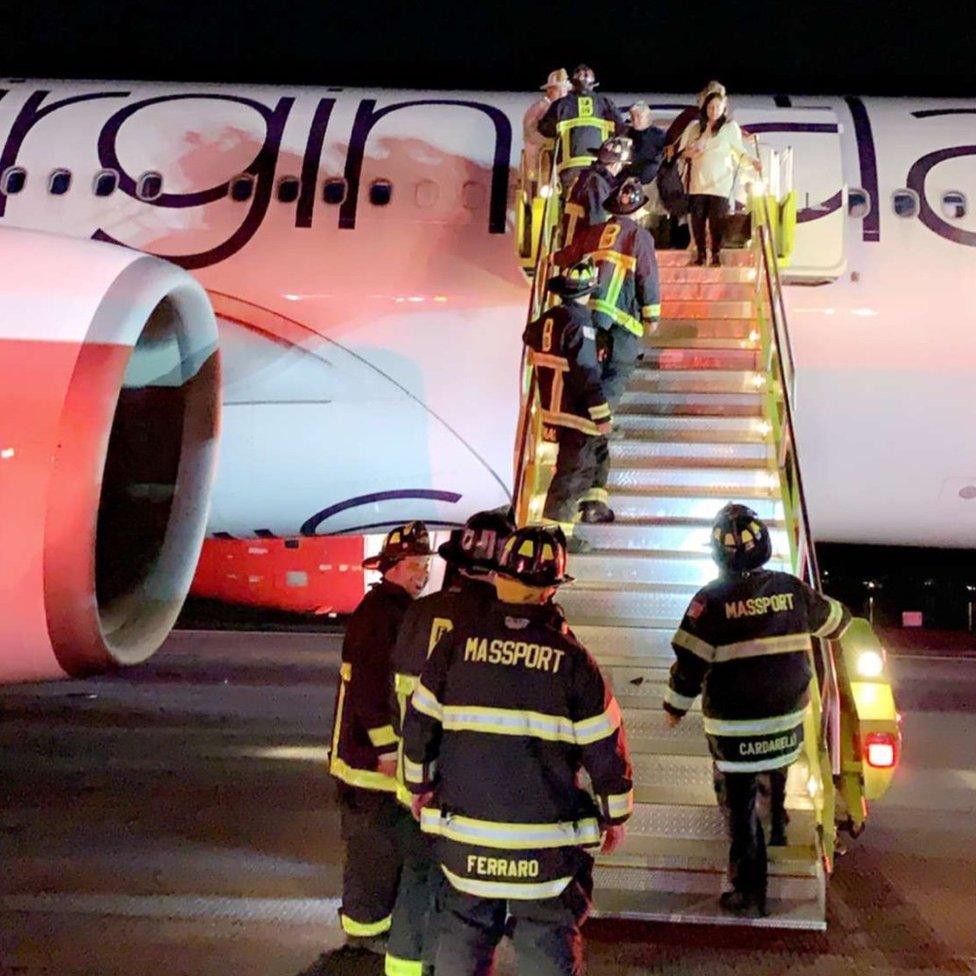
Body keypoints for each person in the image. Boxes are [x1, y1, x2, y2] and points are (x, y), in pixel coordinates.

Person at [402, 525, 633, 976]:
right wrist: (614, 816)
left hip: (466, 837)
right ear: (550, 589)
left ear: (499, 578)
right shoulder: (572, 660)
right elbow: (606, 749)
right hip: (545, 850)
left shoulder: (457, 644)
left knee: (462, 936)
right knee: (547, 943)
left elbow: (419, 724)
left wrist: (419, 786)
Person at [662, 503, 852, 917]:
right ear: (763, 545)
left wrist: (673, 708)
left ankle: (750, 893)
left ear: (717, 555)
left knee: (740, 809)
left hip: (734, 732)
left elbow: (688, 669)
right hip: (786, 723)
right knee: (776, 766)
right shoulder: (791, 587)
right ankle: (779, 822)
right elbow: (840, 621)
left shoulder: (708, 602)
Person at [382, 510, 514, 976]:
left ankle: (402, 970)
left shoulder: (418, 611)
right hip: (463, 793)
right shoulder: (494, 621)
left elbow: (399, 698)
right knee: (464, 896)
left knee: (415, 881)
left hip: (413, 781)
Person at [325, 521, 434, 972]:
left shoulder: (392, 610)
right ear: (391, 566)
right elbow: (371, 691)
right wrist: (388, 751)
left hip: (368, 762)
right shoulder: (381, 615)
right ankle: (362, 937)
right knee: (372, 850)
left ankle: (369, 928)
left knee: (380, 847)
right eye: (413, 565)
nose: (422, 574)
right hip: (366, 763)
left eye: (425, 565)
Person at [556, 177, 661, 524]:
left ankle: (592, 496)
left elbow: (566, 258)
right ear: (640, 210)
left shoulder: (593, 233)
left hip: (591, 328)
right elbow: (647, 277)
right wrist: (652, 316)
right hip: (622, 334)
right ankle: (584, 501)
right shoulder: (639, 237)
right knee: (598, 418)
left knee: (594, 412)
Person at [523, 260, 611, 553]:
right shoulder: (580, 323)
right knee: (573, 471)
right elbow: (586, 372)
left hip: (552, 404)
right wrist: (601, 413)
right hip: (576, 411)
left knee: (596, 453)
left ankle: (593, 504)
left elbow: (529, 335)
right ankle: (558, 535)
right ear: (587, 292)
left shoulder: (550, 317)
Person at [677, 90, 761, 265]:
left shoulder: (730, 128)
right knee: (698, 219)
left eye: (717, 107)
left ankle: (715, 253)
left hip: (720, 183)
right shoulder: (695, 128)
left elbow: (739, 152)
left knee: (717, 220)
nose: (713, 110)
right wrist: (691, 152)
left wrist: (752, 162)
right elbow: (683, 152)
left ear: (724, 109)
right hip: (698, 181)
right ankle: (700, 254)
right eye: (710, 107)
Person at [537, 63, 627, 190]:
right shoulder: (605, 103)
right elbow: (621, 129)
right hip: (601, 167)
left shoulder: (561, 104)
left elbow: (544, 129)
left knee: (564, 200)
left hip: (569, 169)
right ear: (593, 84)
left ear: (572, 84)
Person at [561, 135, 631, 247]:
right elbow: (597, 221)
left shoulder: (590, 176)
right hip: (580, 246)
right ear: (615, 164)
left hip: (574, 242)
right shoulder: (596, 183)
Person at [523, 68, 571, 182]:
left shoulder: (567, 109)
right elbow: (530, 133)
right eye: (558, 89)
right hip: (540, 164)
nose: (562, 93)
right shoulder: (538, 109)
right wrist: (551, 142)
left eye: (565, 90)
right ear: (549, 90)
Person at [624, 100, 666, 186]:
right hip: (626, 180)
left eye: (638, 116)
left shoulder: (659, 135)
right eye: (632, 116)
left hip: (649, 183)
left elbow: (663, 160)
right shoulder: (626, 134)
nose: (635, 120)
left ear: (647, 116)